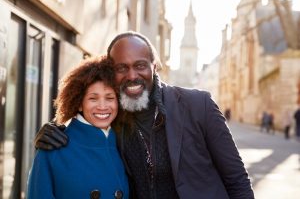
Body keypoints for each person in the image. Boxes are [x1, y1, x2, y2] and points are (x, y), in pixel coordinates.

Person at [34, 31, 254, 198]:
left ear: (154, 66)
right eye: (121, 68)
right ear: (112, 72)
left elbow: (237, 180)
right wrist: (53, 130)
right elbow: (87, 129)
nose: (132, 75)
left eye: (140, 65)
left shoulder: (198, 104)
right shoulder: (113, 116)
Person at [27, 56, 129, 199]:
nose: (102, 106)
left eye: (110, 98)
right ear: (79, 103)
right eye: (93, 98)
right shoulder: (52, 149)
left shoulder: (124, 145)